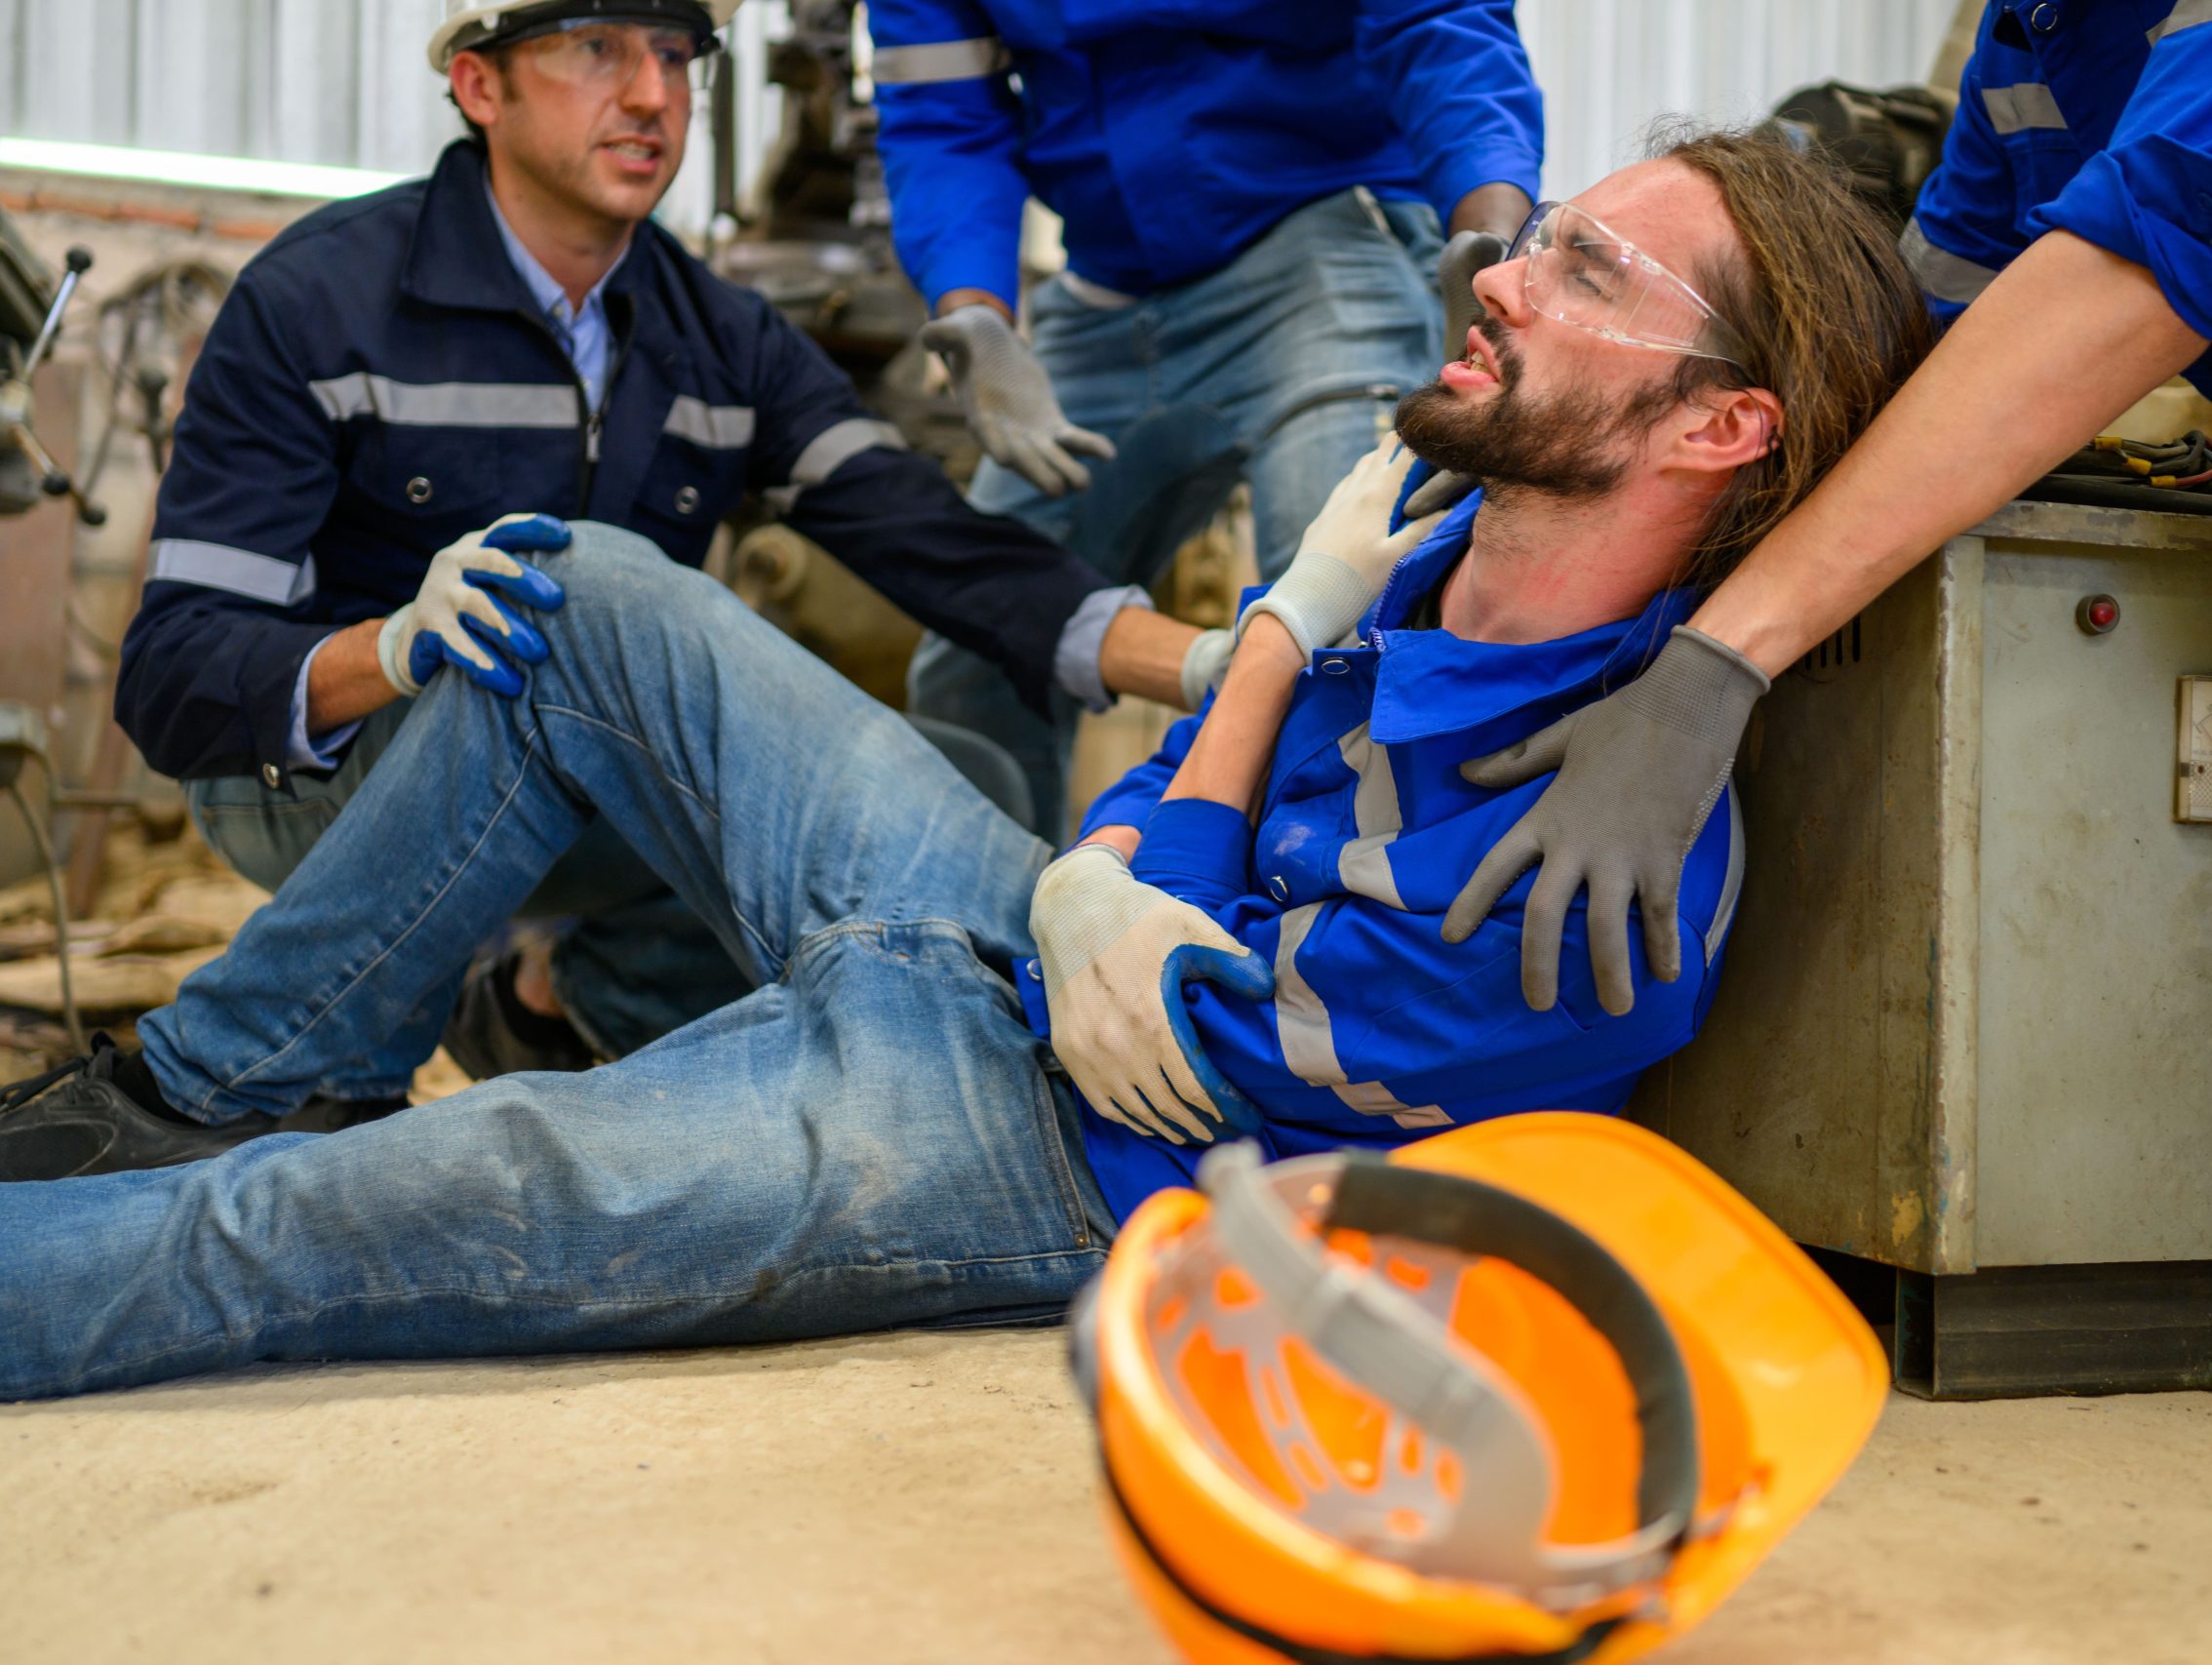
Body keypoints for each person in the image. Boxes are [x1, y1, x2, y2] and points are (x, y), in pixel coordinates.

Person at [0, 129, 1928, 1400]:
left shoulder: (1596, 872)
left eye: (1589, 268)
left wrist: (1260, 653)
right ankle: (222, 1077)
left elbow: (1188, 1036)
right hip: (1012, 940)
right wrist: (1089, 868)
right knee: (577, 587)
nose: (1499, 274)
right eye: (1547, 232)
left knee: (325, 1222)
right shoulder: (1420, 553)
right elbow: (1142, 846)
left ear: (1718, 427)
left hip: (1060, 1148)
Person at [1440, 5, 2212, 1487]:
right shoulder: (2040, 40)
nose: (1505, 281)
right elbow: (1899, 360)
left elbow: (2159, 242)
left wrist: (1717, 661)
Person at [115, 0, 1214, 1090]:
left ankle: (559, 1002)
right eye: (598, 49)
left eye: (677, 55)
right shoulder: (316, 303)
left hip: (578, 779)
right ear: (480, 84)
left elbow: (933, 541)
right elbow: (173, 676)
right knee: (575, 594)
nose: (652, 95)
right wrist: (392, 648)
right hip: (321, 784)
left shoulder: (718, 337)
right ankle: (254, 1077)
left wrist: (1225, 663)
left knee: (971, 774)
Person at [867, 0, 1544, 835]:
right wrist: (973, 311)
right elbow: (940, 108)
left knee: (1348, 622)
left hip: (1318, 239)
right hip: (1103, 283)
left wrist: (1488, 237)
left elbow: (1436, 19)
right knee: (975, 656)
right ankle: (985, 909)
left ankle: (1339, 900)